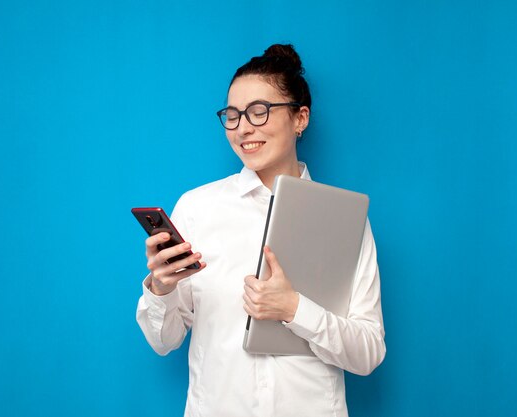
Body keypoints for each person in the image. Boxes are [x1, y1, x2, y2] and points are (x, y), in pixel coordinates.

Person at [136, 44, 386, 417]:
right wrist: (162, 287)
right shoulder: (197, 208)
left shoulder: (344, 218)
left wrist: (294, 309)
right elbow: (163, 341)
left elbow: (368, 353)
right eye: (233, 115)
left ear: (300, 118)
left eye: (260, 111)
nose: (243, 128)